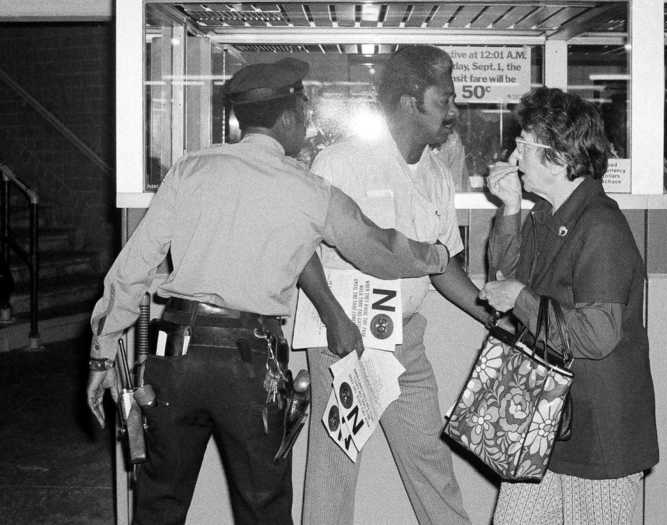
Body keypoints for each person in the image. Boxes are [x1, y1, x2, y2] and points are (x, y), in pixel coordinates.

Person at [85, 57, 452, 525]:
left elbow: (131, 269)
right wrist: (436, 256)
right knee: (263, 508)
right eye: (305, 113)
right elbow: (379, 250)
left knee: (159, 503)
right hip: (250, 367)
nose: (308, 123)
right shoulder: (308, 190)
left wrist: (102, 355)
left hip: (175, 355)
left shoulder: (191, 169)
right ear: (289, 117)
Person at [301, 45, 489, 525]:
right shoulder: (340, 162)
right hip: (343, 341)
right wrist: (335, 321)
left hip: (405, 339)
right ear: (409, 101)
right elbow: (301, 253)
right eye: (443, 99)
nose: (453, 110)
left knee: (431, 459)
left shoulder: (437, 176)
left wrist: (495, 317)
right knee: (335, 466)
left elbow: (442, 265)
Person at [481, 87, 658, 524]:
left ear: (560, 157)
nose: (514, 155)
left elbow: (596, 335)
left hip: (597, 433)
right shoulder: (548, 214)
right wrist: (508, 208)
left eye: (524, 145)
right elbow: (507, 272)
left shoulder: (601, 227)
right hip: (545, 419)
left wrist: (520, 299)